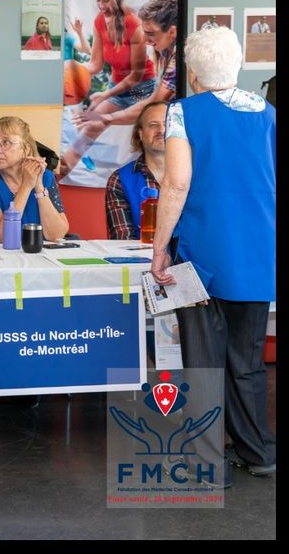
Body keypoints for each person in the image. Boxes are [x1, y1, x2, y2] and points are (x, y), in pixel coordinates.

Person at [151, 27, 276, 487]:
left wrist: (160, 246)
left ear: (194, 73)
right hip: (258, 255)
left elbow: (177, 182)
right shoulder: (269, 114)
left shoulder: (183, 111)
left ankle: (207, 461)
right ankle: (257, 449)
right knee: (247, 360)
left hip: (202, 255)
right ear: (238, 64)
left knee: (203, 360)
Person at [61, 0, 156, 177]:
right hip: (116, 88)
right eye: (97, 0)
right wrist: (75, 72)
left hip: (142, 90)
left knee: (147, 142)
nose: (101, 6)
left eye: (106, 0)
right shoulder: (98, 21)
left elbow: (136, 74)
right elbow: (95, 64)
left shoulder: (135, 22)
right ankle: (62, 174)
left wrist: (104, 95)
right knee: (89, 127)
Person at [0, 116, 69, 243]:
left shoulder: (46, 177)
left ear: (26, 148)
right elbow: (1, 236)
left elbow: (56, 235)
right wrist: (26, 186)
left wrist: (38, 186)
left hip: (36, 256)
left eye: (6, 142)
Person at [104, 101, 167, 240]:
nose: (161, 130)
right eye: (153, 125)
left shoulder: (198, 175)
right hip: (143, 261)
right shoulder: (119, 180)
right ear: (140, 134)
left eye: (167, 124)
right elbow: (123, 241)